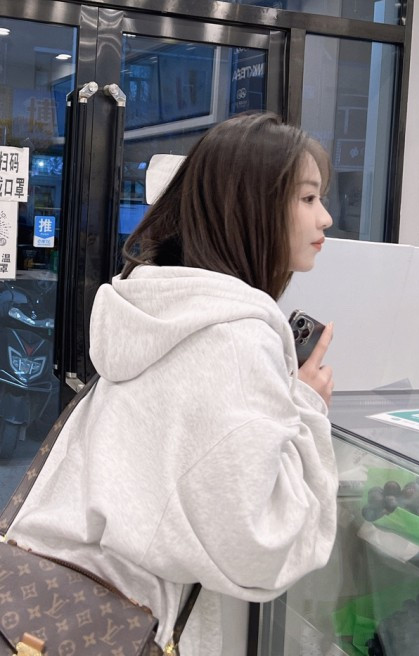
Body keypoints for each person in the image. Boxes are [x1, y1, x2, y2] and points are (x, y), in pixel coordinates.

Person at [7, 112, 339, 655]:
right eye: (307, 198)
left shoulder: (153, 303)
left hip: (50, 592)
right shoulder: (234, 340)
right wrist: (305, 406)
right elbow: (259, 547)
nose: (325, 216)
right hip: (134, 618)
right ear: (249, 206)